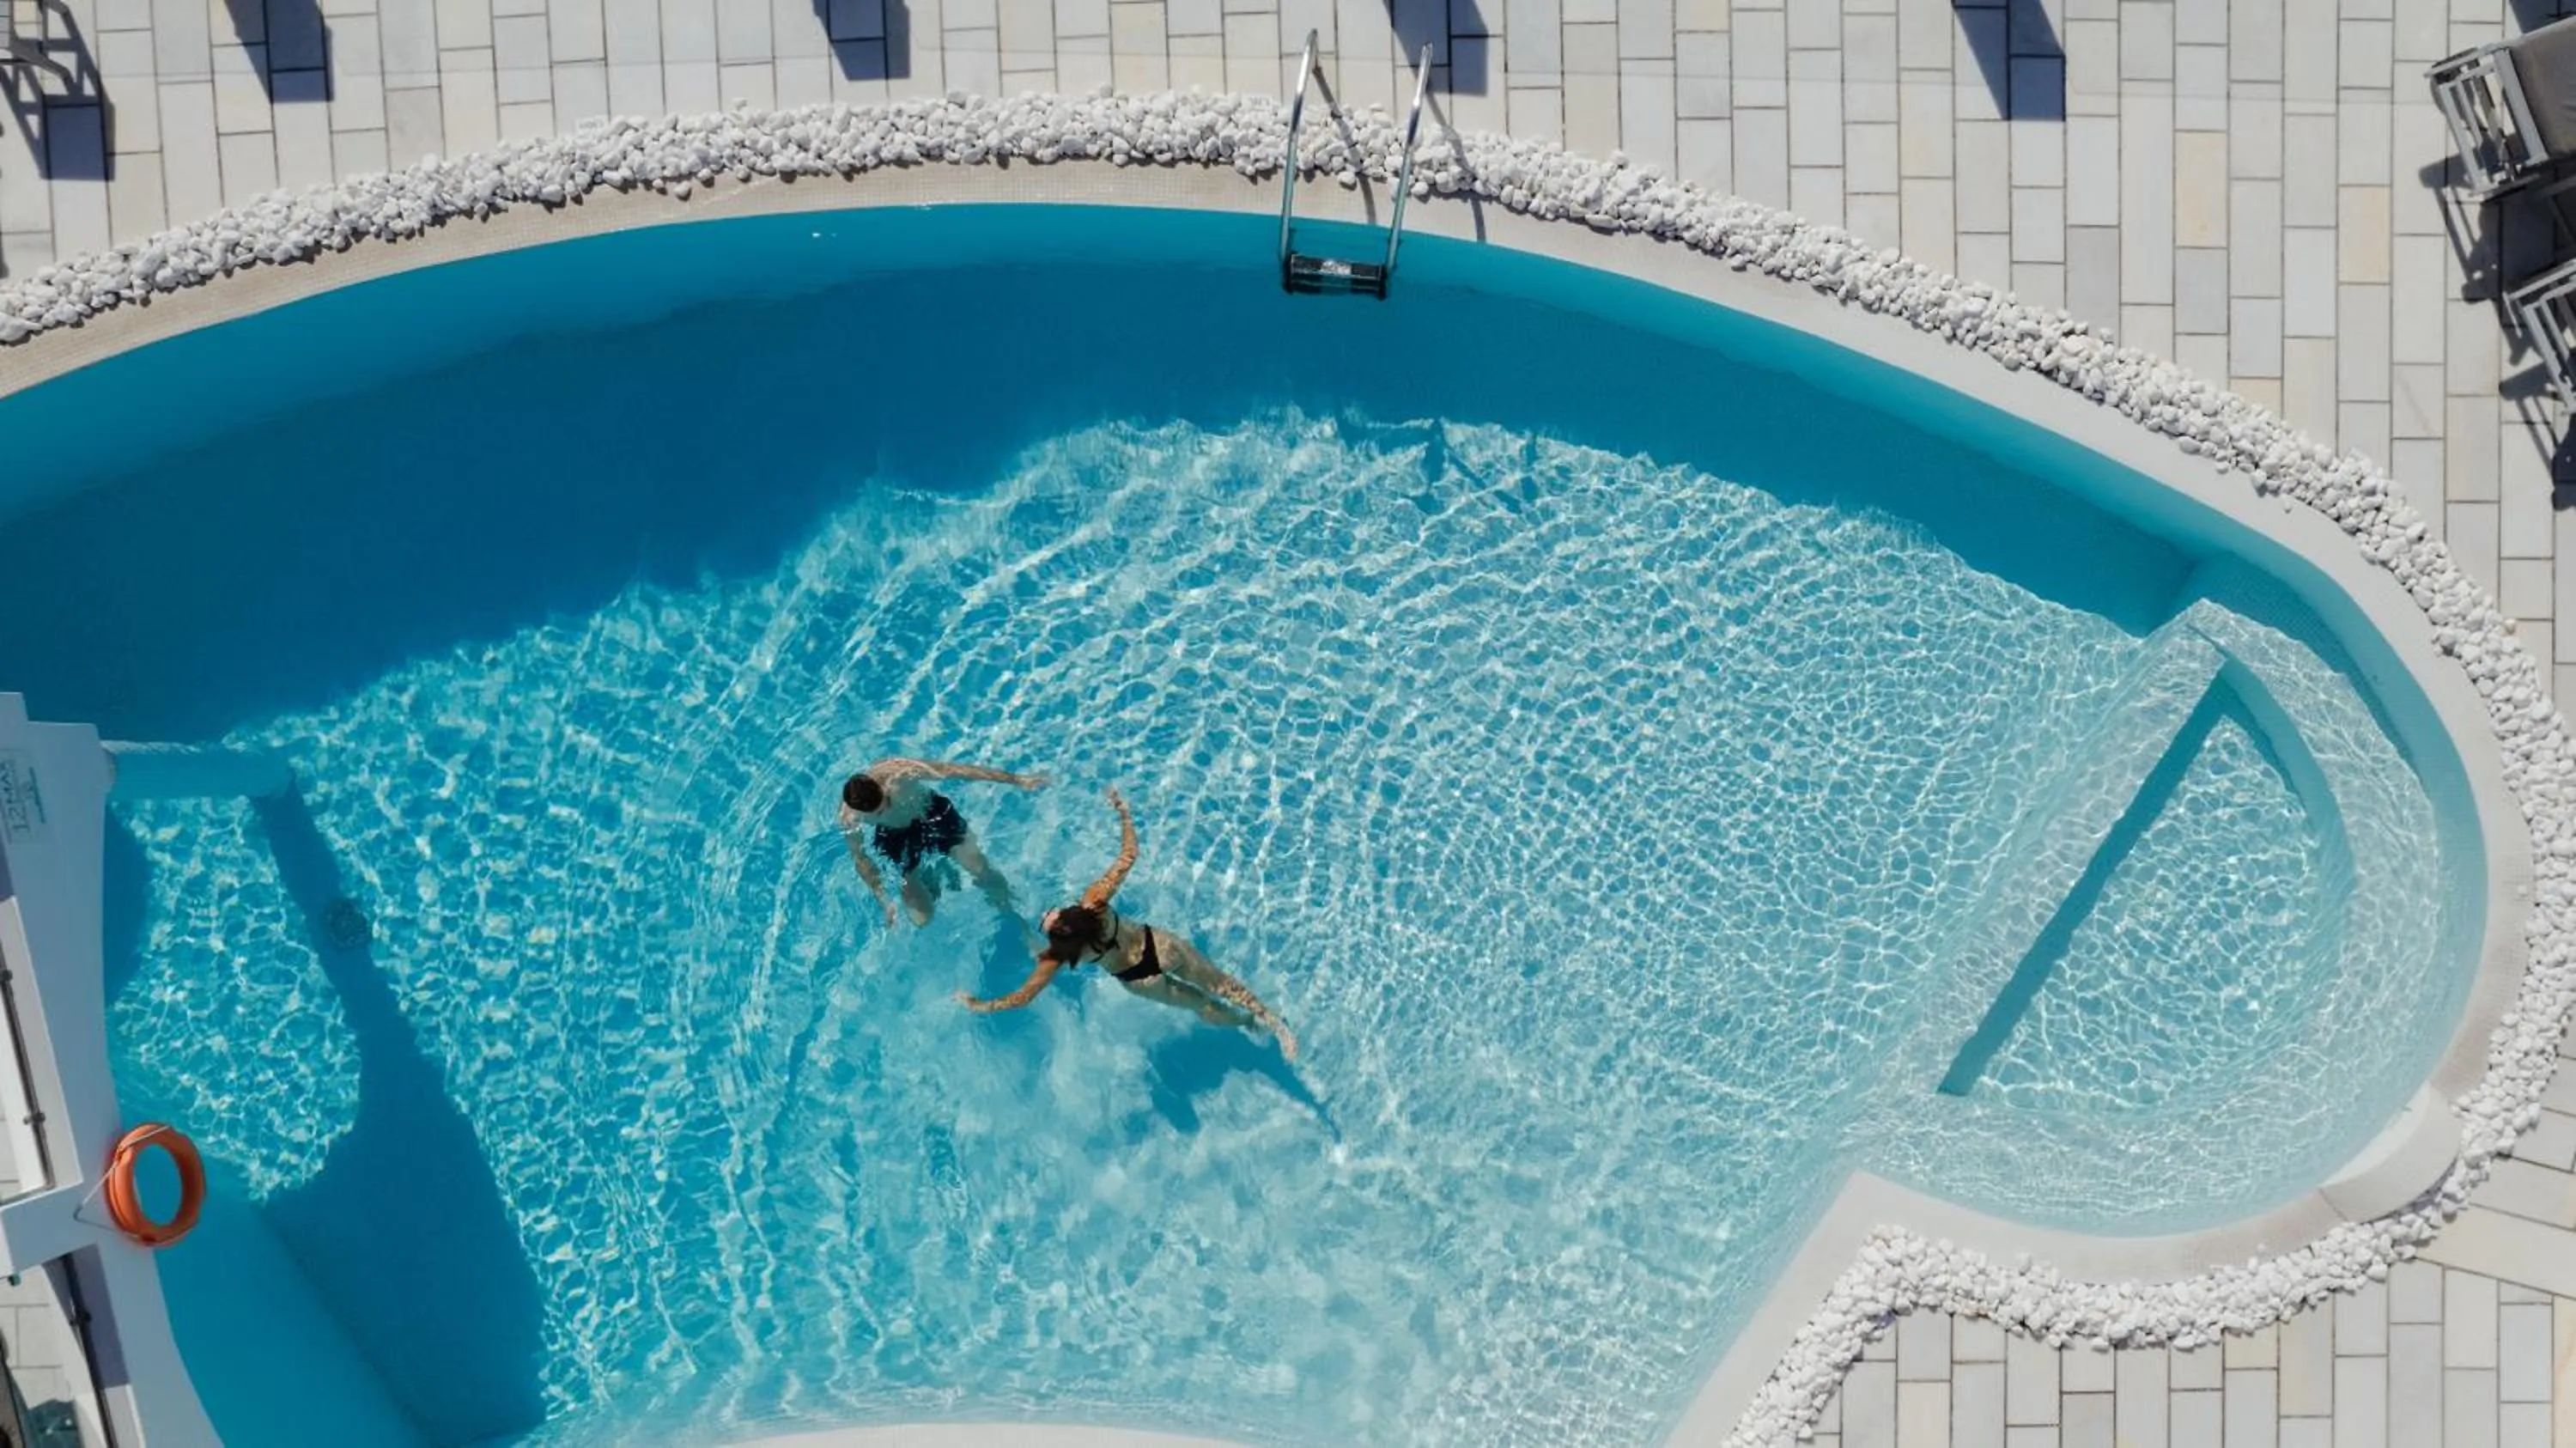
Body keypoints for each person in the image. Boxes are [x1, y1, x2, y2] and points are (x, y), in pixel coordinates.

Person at [958, 788, 1298, 1061]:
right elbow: (1129, 855)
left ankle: (1246, 1022)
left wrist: (981, 1005)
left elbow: (1024, 996)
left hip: (1140, 980)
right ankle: (1274, 1024)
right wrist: (1122, 812)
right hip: (1161, 948)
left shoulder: (1059, 954)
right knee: (1221, 985)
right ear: (1066, 913)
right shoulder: (1094, 903)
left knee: (1203, 1006)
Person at [839, 757, 1046, 931]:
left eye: (886, 802)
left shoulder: (899, 774)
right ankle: (936, 874)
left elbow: (954, 770)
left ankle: (1013, 915)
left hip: (932, 814)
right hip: (896, 837)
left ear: (881, 788)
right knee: (921, 918)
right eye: (879, 814)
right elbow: (860, 858)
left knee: (981, 870)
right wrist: (885, 902)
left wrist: (1017, 779)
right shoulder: (850, 818)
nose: (887, 810)